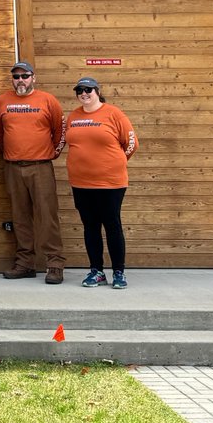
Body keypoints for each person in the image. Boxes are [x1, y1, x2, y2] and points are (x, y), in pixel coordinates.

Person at [62, 77, 138, 290]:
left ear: (97, 91)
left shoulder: (113, 113)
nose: (83, 94)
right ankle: (96, 271)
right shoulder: (74, 116)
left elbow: (131, 143)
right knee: (90, 227)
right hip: (81, 182)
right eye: (79, 90)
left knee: (112, 225)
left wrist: (116, 162)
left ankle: (119, 272)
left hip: (110, 183)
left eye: (88, 90)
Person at [0, 61, 66, 285]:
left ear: (33, 78)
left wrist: (50, 154)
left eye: (25, 76)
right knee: (20, 217)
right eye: (16, 76)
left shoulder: (48, 100)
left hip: (40, 166)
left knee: (47, 216)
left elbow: (59, 131)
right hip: (13, 167)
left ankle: (55, 264)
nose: (20, 80)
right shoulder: (2, 101)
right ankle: (25, 263)